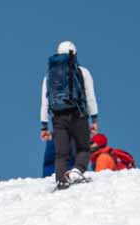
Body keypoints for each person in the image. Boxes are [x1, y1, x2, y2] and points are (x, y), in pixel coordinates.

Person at [39, 40, 99, 189]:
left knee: (61, 153)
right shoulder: (83, 72)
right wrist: (94, 119)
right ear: (74, 54)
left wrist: (44, 126)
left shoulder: (49, 76)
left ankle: (61, 180)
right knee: (83, 148)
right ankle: (77, 171)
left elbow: (44, 103)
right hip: (78, 115)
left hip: (58, 117)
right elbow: (90, 96)